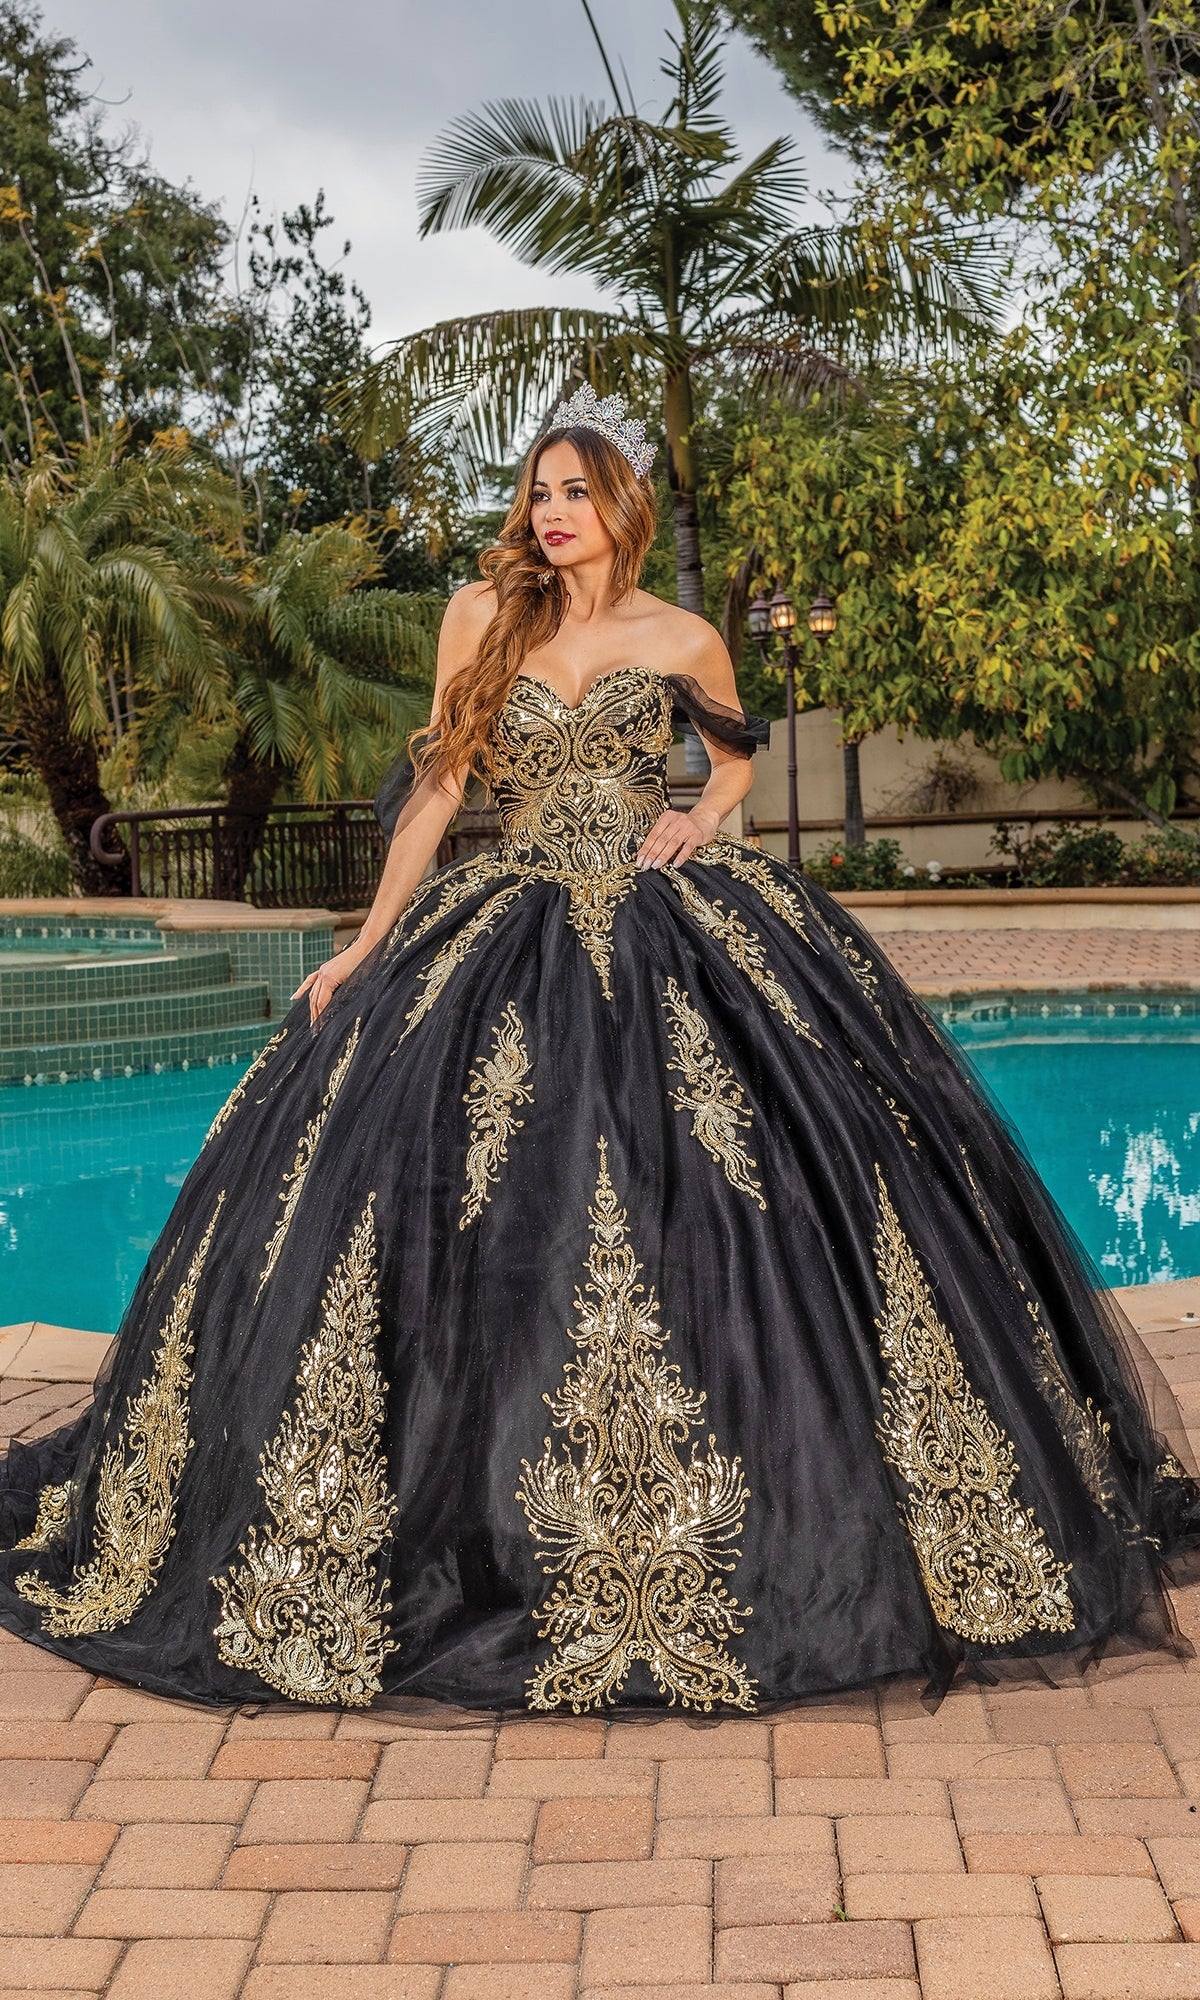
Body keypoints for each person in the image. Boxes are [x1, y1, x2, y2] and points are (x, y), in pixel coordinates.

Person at [0, 384, 1196, 1716]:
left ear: (621, 505)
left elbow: (736, 767)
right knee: (483, 1208)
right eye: (536, 493)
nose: (549, 515)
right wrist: (357, 944)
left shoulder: (682, 634)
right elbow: (440, 791)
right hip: (502, 922)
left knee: (728, 1191)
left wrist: (701, 818)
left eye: (574, 492)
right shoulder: (479, 616)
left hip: (668, 921)